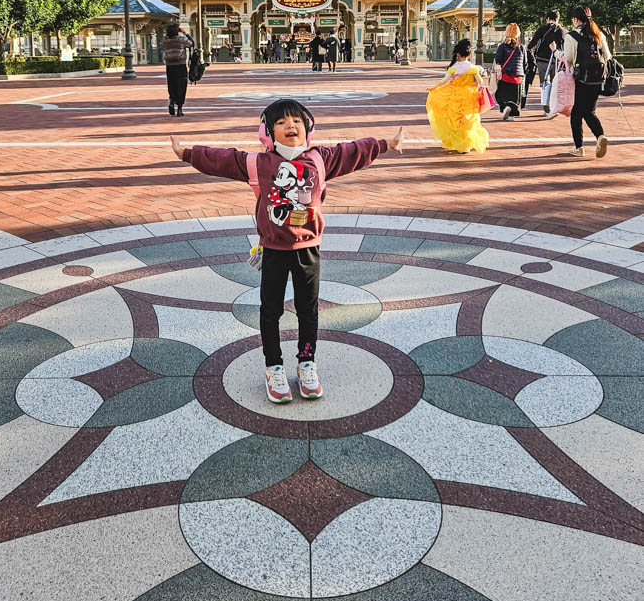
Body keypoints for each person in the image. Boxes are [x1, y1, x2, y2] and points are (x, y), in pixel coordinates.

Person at [170, 99, 405, 403]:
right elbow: (223, 159)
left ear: (308, 128)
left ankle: (307, 363)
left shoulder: (321, 159)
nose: (290, 126)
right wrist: (187, 153)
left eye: (296, 121)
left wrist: (387, 143)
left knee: (308, 311)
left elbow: (353, 151)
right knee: (271, 311)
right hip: (273, 251)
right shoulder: (258, 163)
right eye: (280, 123)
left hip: (308, 250)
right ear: (268, 133)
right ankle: (274, 366)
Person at [551, 5, 610, 158]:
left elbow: (568, 59)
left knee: (577, 113)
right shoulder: (599, 35)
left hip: (580, 80)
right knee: (588, 110)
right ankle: (599, 137)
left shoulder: (571, 36)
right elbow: (608, 56)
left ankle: (582, 146)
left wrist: (555, 51)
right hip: (597, 80)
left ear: (576, 20)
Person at [426, 38, 489, 153]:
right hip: (470, 97)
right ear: (469, 55)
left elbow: (443, 81)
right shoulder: (473, 68)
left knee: (455, 121)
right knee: (469, 120)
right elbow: (480, 81)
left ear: (458, 54)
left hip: (455, 96)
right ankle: (467, 144)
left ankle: (460, 145)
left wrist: (434, 88)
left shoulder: (453, 68)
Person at [527, 10, 566, 114]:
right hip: (557, 61)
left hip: (543, 59)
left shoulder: (543, 29)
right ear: (558, 18)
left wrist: (528, 48)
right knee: (555, 84)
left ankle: (546, 107)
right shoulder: (563, 31)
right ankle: (553, 107)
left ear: (548, 19)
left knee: (544, 83)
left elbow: (534, 41)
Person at [493, 23, 526, 120]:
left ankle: (506, 107)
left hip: (506, 75)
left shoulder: (503, 46)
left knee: (500, 94)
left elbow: (498, 59)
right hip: (518, 76)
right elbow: (525, 63)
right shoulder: (521, 47)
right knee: (515, 97)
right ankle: (511, 113)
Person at [162, 22, 194, 116]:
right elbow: (192, 43)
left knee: (172, 85)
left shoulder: (166, 41)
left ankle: (172, 100)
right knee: (181, 86)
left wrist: (168, 35)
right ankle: (179, 109)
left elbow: (162, 43)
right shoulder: (181, 39)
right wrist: (185, 33)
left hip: (169, 66)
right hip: (180, 65)